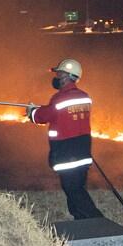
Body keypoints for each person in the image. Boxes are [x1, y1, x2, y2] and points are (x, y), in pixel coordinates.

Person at [27, 58, 103, 220]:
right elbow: (60, 114)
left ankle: (97, 221)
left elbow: (42, 117)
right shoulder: (84, 97)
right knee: (76, 187)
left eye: (59, 73)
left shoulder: (59, 99)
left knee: (73, 189)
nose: (56, 76)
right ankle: (80, 219)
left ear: (67, 76)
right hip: (82, 151)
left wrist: (31, 111)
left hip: (66, 152)